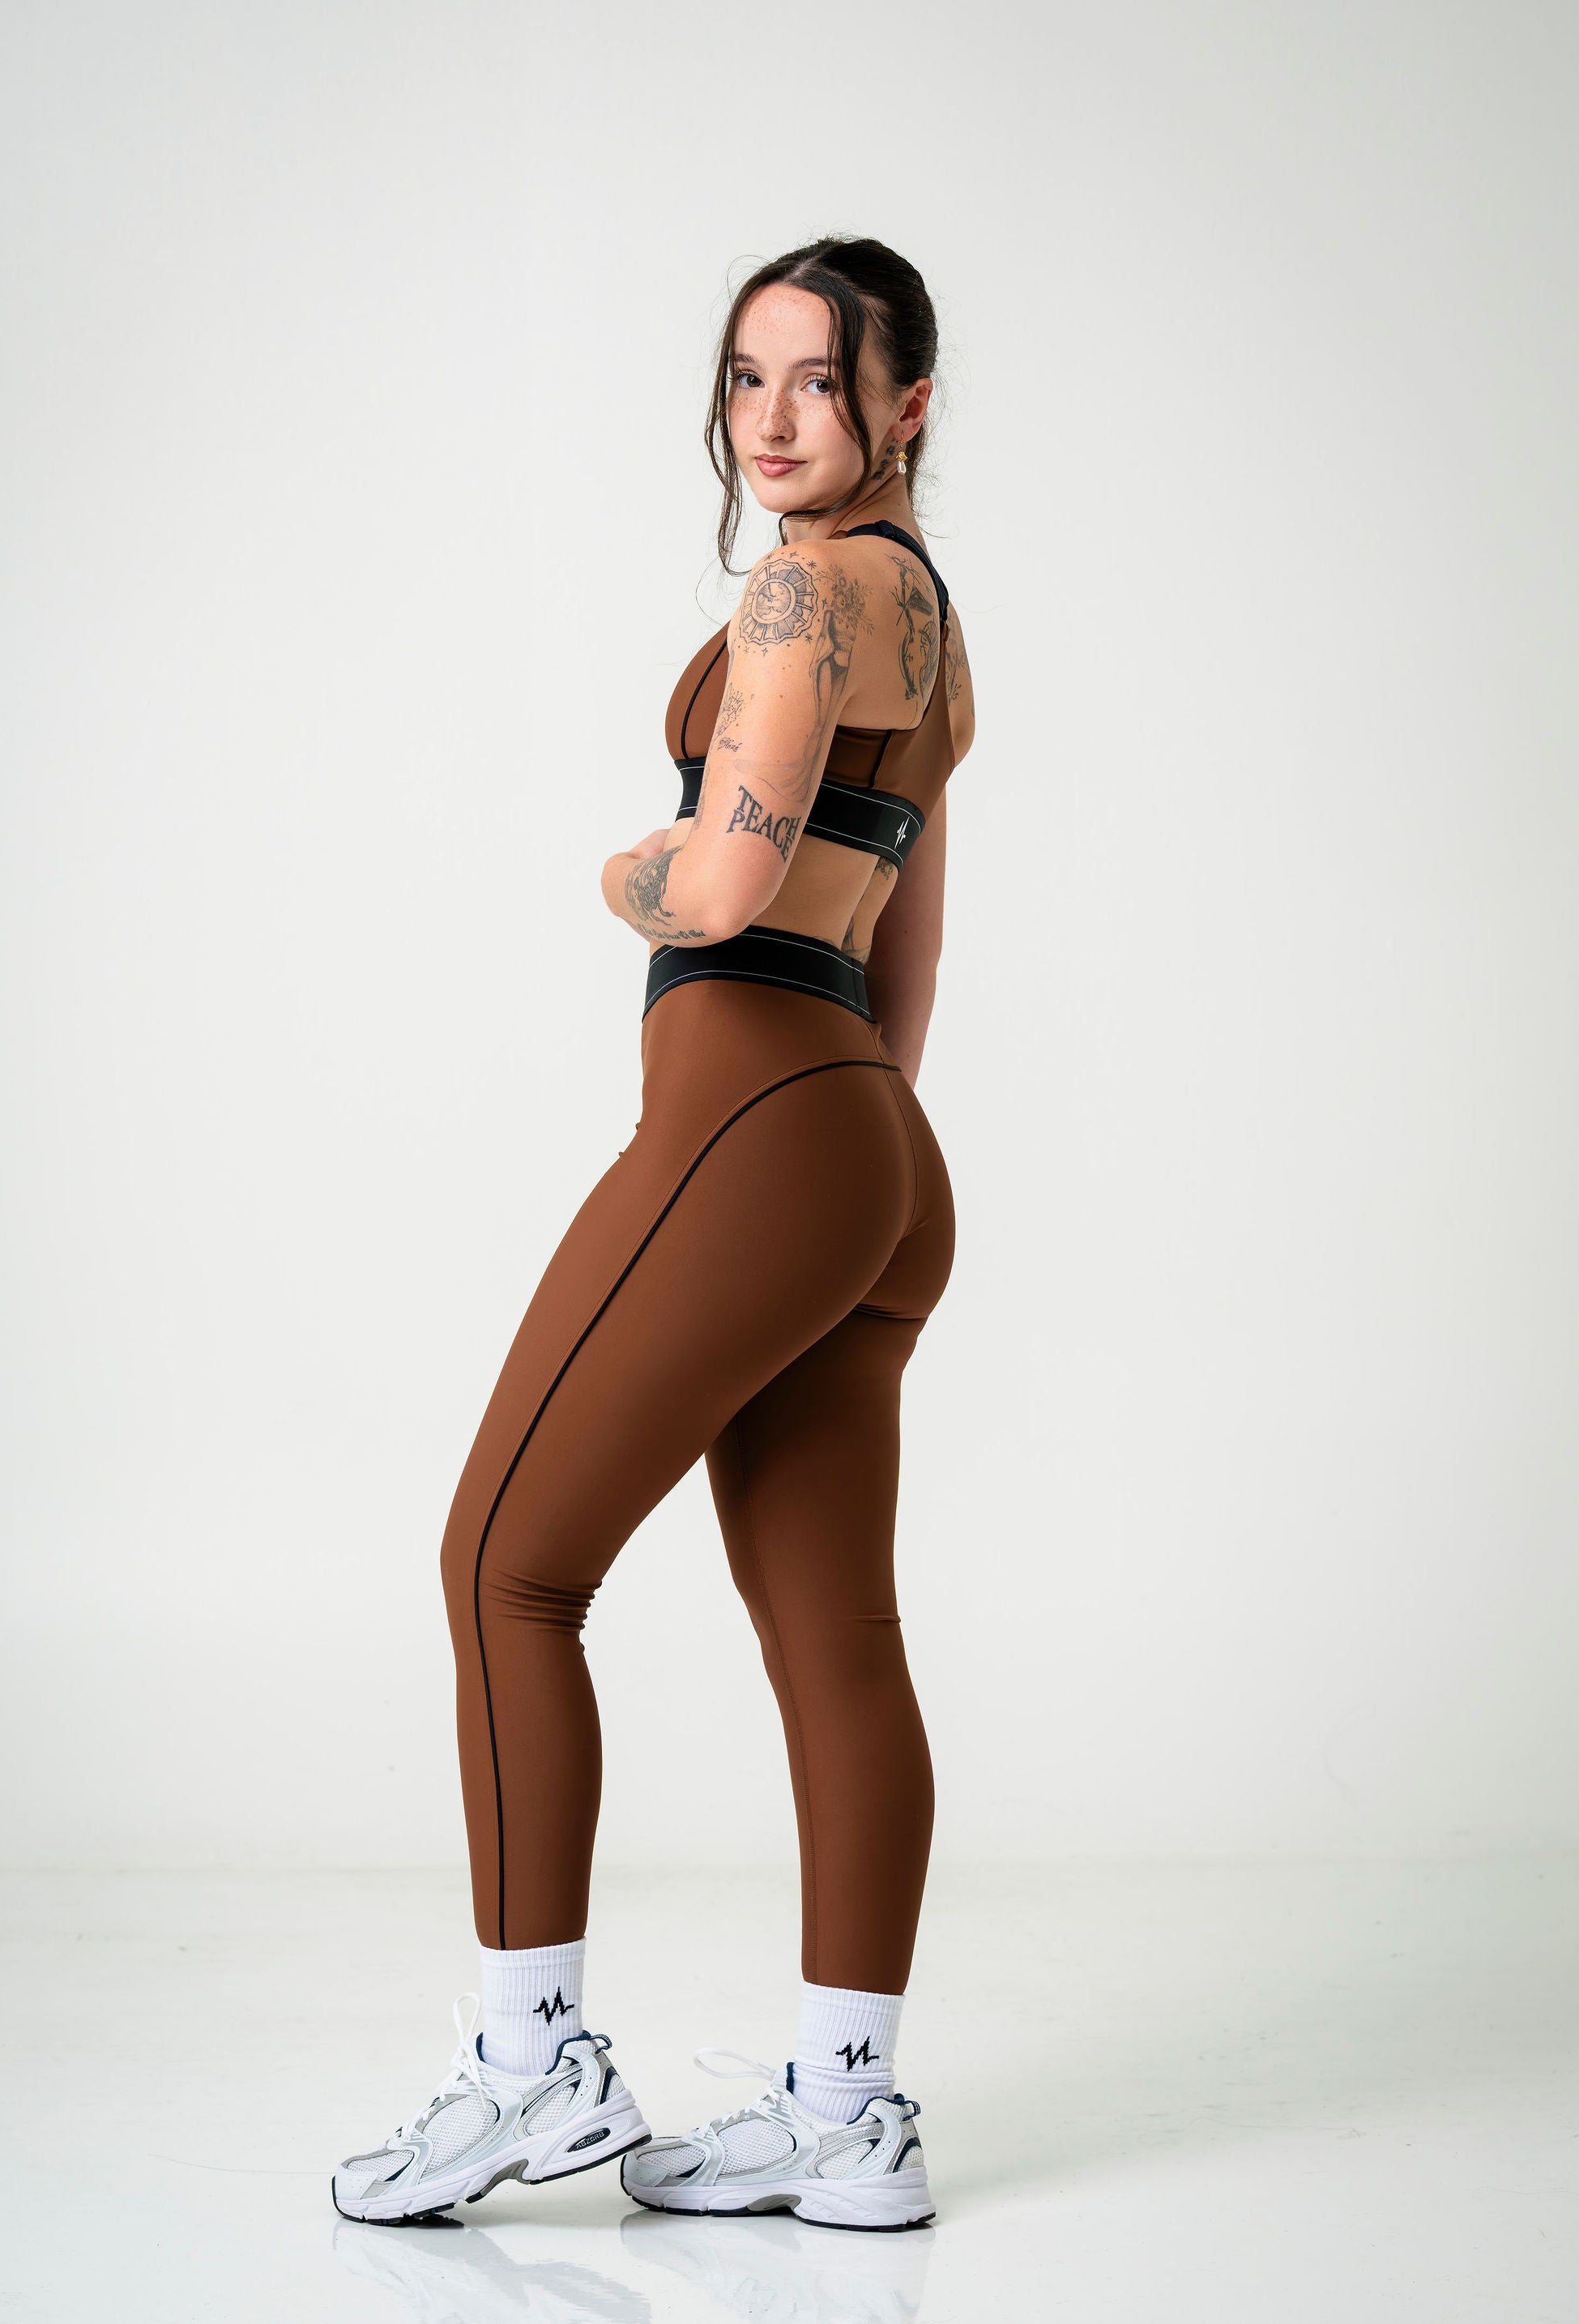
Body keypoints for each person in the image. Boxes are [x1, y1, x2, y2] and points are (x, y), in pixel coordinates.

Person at [332, 235, 975, 2234]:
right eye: (746, 377)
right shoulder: (932, 620)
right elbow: (905, 945)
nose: (771, 419)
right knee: (834, 1634)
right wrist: (849, 1149)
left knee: (503, 1568)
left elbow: (720, 889)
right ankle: (847, 2116)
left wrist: (625, 869)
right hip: (867, 1141)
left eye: (818, 380)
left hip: (764, 1121)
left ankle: (528, 2068)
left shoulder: (798, 590)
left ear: (906, 406)